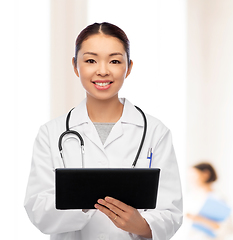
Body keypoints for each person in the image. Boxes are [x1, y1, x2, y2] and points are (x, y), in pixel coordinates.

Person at [24, 22, 183, 239]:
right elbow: (37, 209)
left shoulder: (156, 132)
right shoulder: (51, 133)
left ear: (128, 67)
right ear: (75, 65)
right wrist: (82, 201)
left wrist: (142, 225)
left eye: (115, 61)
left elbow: (172, 212)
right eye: (90, 60)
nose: (102, 70)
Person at [186, 162, 232, 239]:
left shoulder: (218, 198)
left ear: (206, 174)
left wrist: (199, 219)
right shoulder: (190, 196)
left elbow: (227, 229)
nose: (190, 180)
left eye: (193, 176)